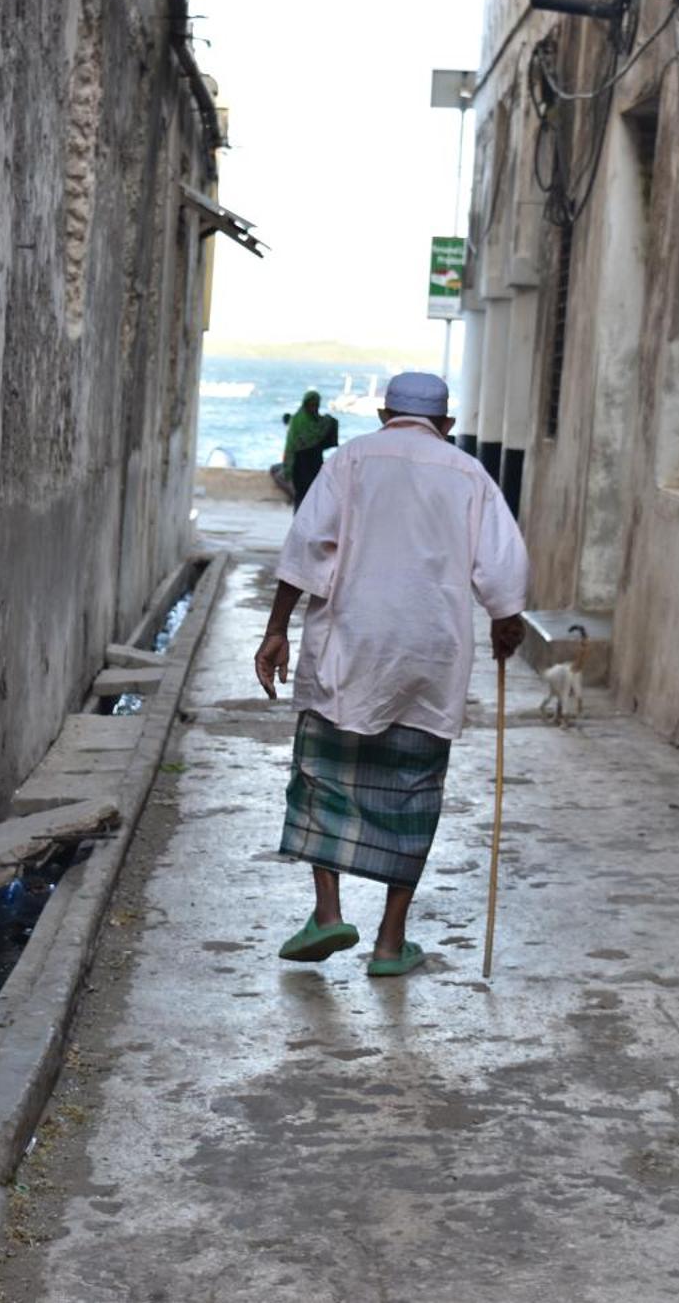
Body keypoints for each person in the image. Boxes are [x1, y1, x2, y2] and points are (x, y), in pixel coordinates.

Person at [254, 372, 528, 977]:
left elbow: (306, 547)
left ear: (384, 415)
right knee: (413, 790)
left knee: (321, 777)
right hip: (428, 657)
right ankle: (388, 941)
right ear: (446, 425)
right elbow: (504, 569)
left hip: (349, 647)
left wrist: (276, 628)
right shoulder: (469, 475)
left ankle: (327, 912)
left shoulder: (350, 460)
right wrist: (507, 621)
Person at [279, 389, 338, 508]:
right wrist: (288, 467)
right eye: (311, 404)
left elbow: (328, 442)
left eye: (316, 405)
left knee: (313, 500)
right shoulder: (297, 422)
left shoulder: (323, 423)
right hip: (299, 466)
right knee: (301, 498)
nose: (313, 407)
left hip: (315, 465)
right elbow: (290, 447)